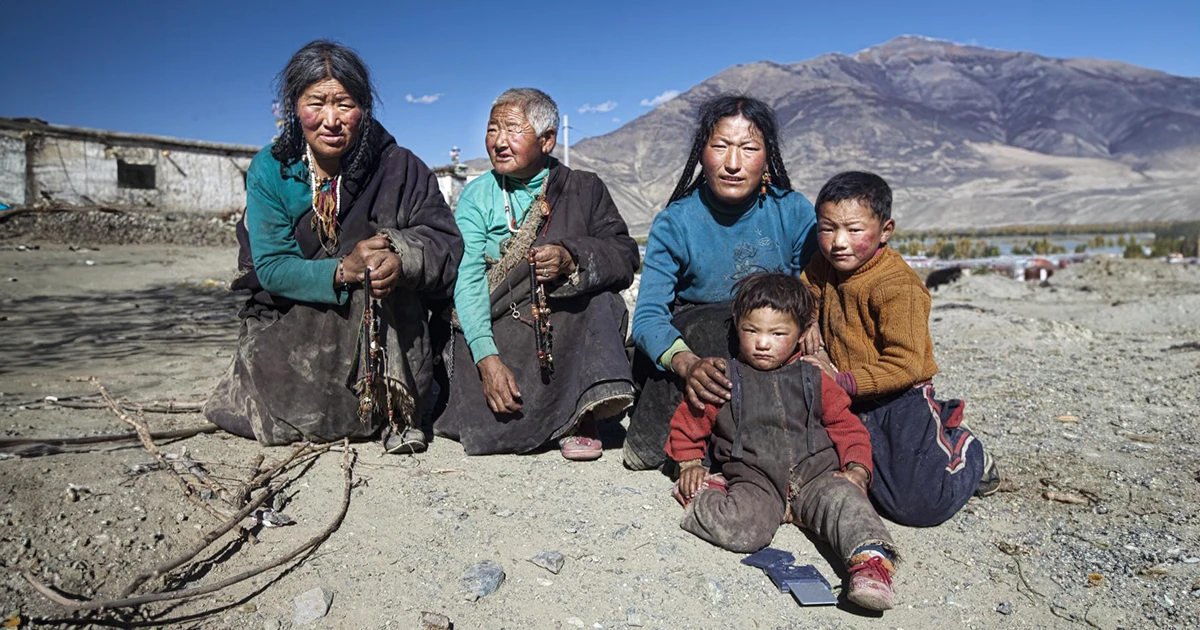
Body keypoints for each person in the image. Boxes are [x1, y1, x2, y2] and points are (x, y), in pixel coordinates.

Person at [205, 40, 462, 452]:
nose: (330, 120)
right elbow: (270, 266)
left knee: (381, 261)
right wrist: (343, 270)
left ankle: (394, 409)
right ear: (294, 107)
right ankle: (357, 412)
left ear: (365, 106)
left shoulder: (400, 167)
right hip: (296, 325)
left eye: (344, 103)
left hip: (389, 324)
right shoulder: (271, 169)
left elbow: (445, 243)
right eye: (316, 103)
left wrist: (401, 256)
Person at [666, 272, 899, 612]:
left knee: (847, 503)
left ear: (802, 333)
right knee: (743, 530)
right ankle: (709, 495)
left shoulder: (814, 377)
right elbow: (691, 420)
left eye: (777, 334)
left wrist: (858, 469)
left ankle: (871, 565)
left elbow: (847, 428)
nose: (763, 343)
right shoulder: (724, 378)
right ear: (737, 325)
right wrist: (689, 464)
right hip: (753, 478)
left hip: (816, 475)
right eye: (751, 330)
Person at [433, 88, 640, 459]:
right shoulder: (478, 196)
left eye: (512, 129)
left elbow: (624, 255)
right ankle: (547, 413)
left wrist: (572, 257)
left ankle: (581, 415)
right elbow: (468, 278)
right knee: (491, 413)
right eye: (492, 129)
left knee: (602, 300)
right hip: (502, 324)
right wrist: (486, 358)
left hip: (564, 322)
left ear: (547, 140)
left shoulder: (584, 189)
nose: (499, 141)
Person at [623, 95, 818, 471]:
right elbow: (647, 317)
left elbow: (815, 289)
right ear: (701, 153)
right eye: (720, 146)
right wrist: (686, 364)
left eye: (748, 148)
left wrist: (813, 326)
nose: (732, 163)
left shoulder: (792, 211)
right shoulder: (675, 222)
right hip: (700, 347)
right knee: (718, 327)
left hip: (773, 341)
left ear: (767, 157)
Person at [800, 171, 1000, 528]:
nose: (838, 242)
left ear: (885, 230)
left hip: (899, 396)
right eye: (827, 229)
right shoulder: (823, 264)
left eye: (854, 230)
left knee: (916, 506)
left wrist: (842, 380)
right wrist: (808, 320)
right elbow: (808, 291)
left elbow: (905, 364)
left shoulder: (897, 286)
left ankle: (966, 448)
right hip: (849, 392)